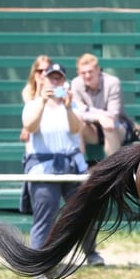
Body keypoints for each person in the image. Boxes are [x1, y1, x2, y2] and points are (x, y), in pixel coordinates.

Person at [21, 62, 104, 265]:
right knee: (44, 217)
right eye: (52, 77)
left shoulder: (71, 104)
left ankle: (91, 253)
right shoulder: (32, 104)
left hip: (72, 167)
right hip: (43, 168)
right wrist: (42, 100)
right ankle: (38, 261)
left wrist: (67, 107)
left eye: (59, 78)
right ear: (43, 79)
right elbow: (30, 126)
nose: (55, 81)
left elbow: (76, 128)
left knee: (84, 212)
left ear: (64, 81)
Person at [70, 53, 128, 158]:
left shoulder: (112, 83)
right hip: (92, 129)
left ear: (98, 70)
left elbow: (113, 115)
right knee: (76, 123)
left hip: (116, 126)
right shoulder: (75, 84)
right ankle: (79, 166)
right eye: (83, 73)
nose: (87, 76)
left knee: (108, 125)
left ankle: (113, 167)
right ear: (78, 73)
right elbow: (78, 112)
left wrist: (87, 110)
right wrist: (99, 117)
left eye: (90, 71)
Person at [20, 55, 53, 142]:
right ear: (34, 73)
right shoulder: (28, 91)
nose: (43, 74)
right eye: (40, 71)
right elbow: (31, 111)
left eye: (47, 70)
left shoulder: (56, 88)